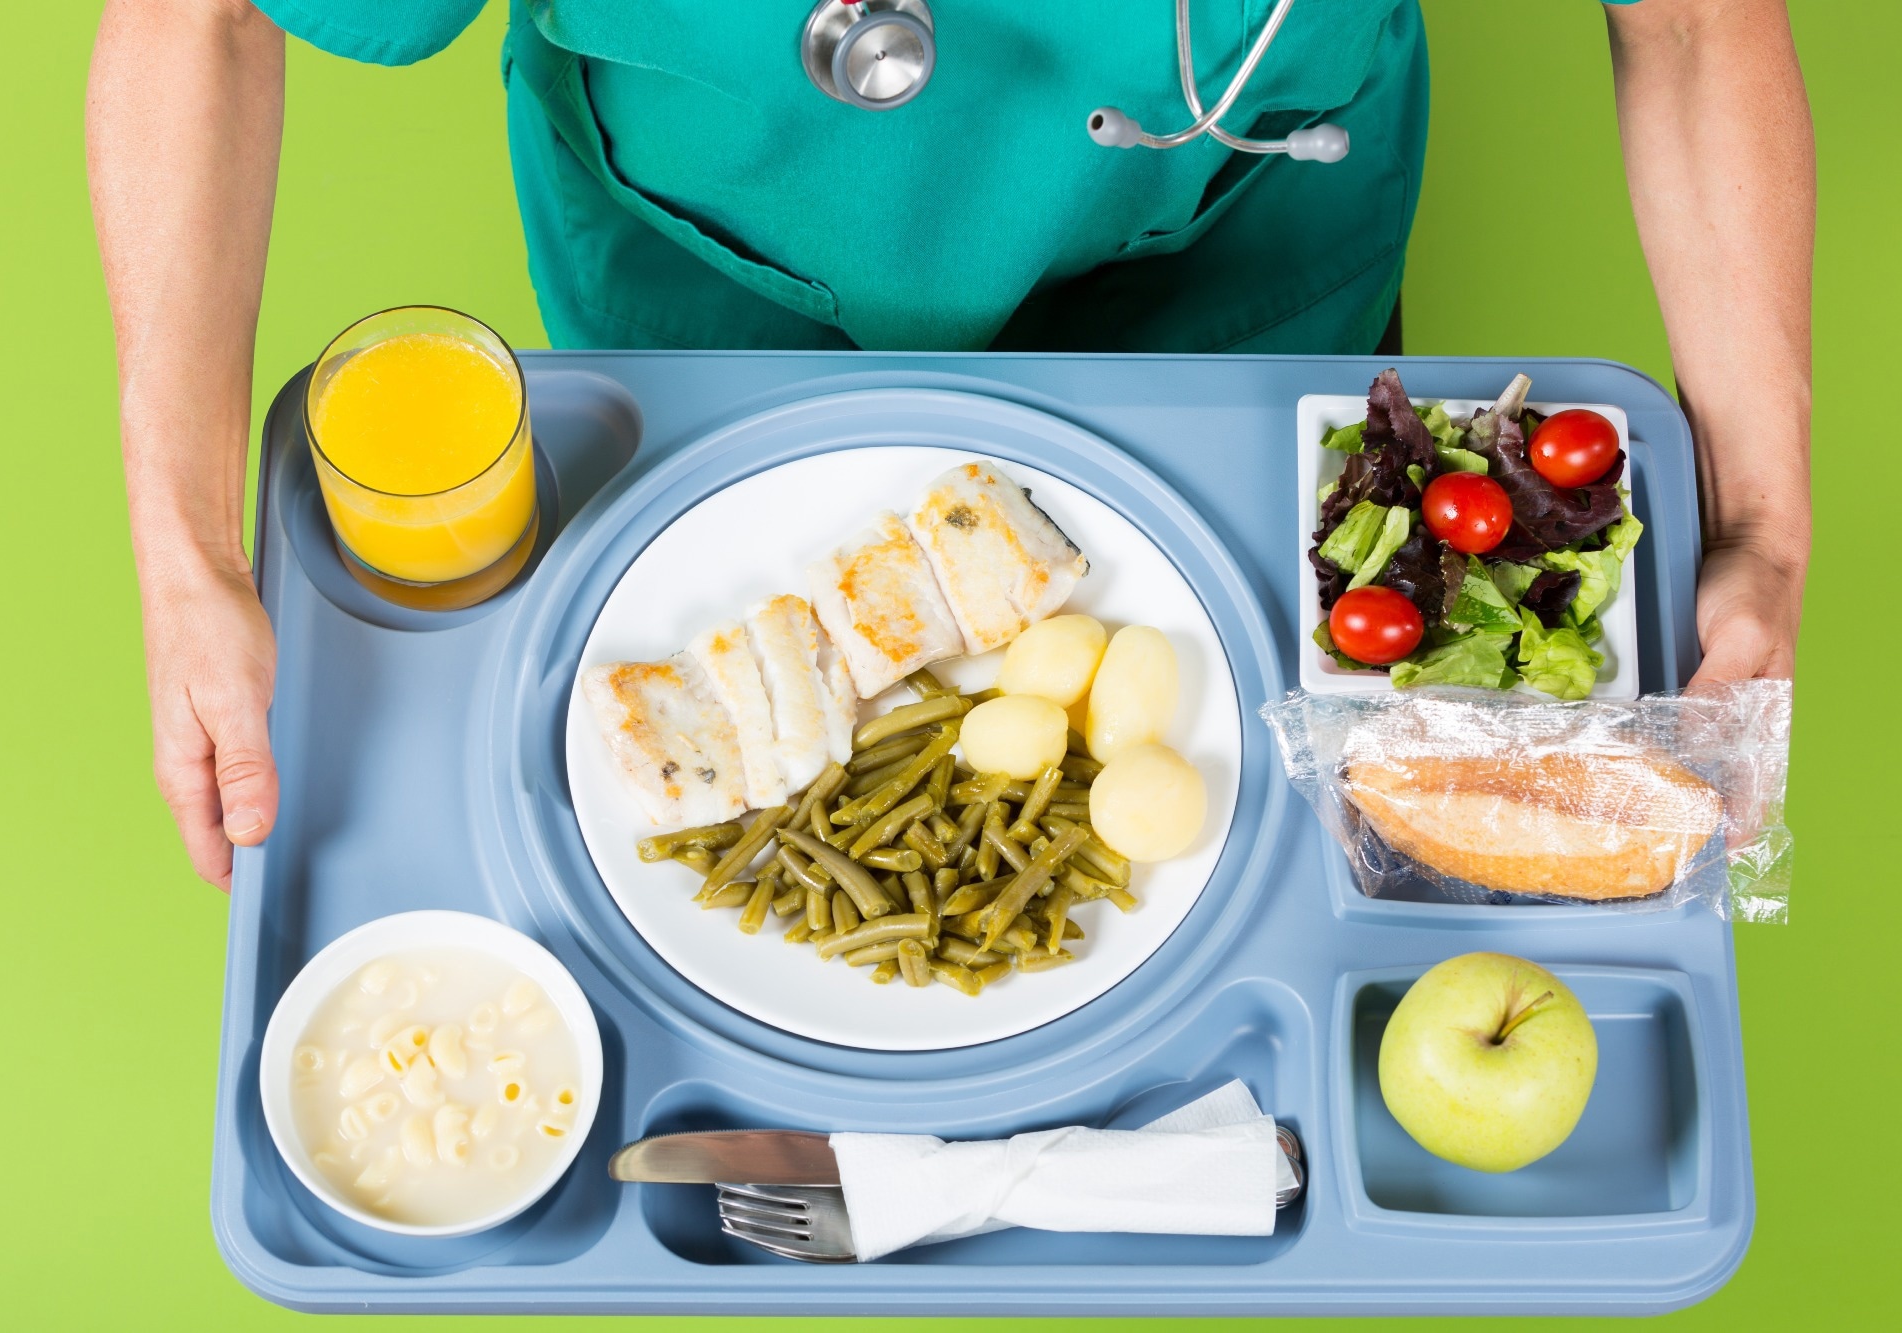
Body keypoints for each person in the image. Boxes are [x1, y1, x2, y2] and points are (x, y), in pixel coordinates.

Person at [87, 0, 1812, 889]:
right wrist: (183, 549)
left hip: (1239, 282)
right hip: (708, 307)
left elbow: (1685, 17)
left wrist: (1766, 517)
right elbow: (208, 16)